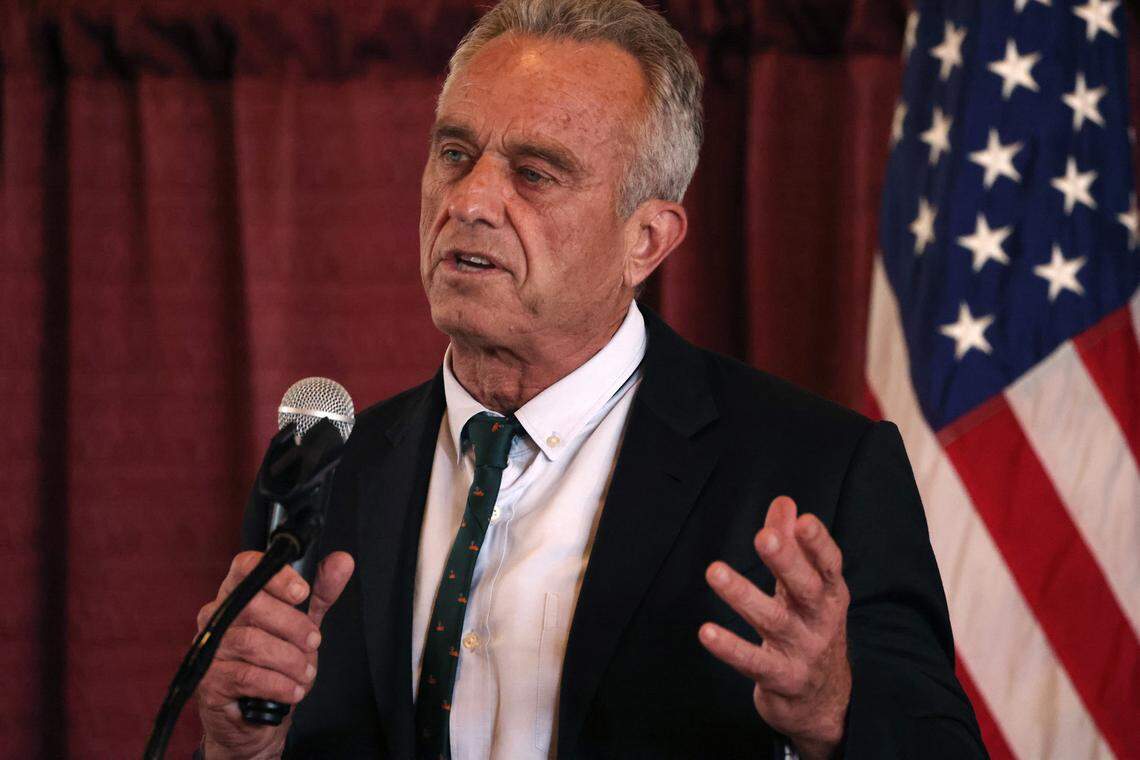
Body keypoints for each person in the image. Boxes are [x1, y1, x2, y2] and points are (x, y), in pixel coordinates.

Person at [192, 1, 986, 757]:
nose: (469, 201)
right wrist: (240, 750)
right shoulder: (330, 471)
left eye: (535, 173)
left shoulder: (817, 469)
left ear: (647, 238)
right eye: (455, 154)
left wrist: (832, 713)